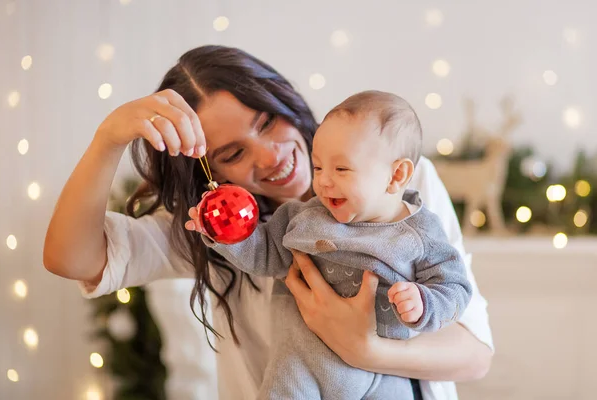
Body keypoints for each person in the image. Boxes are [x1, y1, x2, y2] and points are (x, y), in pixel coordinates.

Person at [43, 45, 494, 400]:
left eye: (268, 121)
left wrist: (364, 348)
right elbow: (69, 258)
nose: (271, 155)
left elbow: (474, 355)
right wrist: (108, 139)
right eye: (234, 154)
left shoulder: (403, 193)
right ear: (214, 175)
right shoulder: (214, 230)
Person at [190, 90, 473, 400]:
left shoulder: (421, 233)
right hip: (299, 366)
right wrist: (225, 232)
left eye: (341, 169)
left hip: (381, 375)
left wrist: (422, 303)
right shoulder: (303, 217)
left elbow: (454, 287)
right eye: (319, 167)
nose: (323, 182)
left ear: (396, 175)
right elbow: (264, 255)